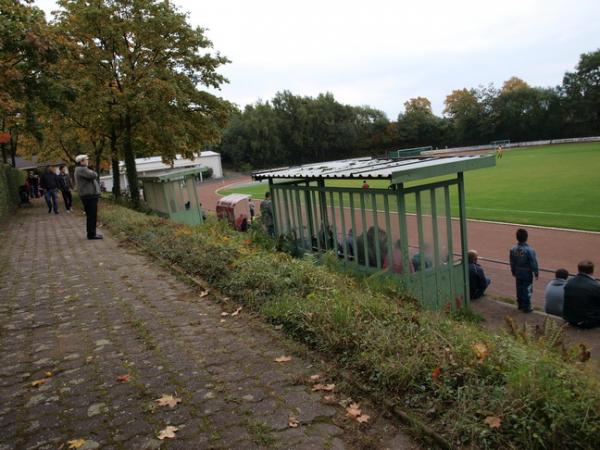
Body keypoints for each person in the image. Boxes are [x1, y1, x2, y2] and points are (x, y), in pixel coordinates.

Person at [563, 261, 600, 328]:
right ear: (592, 271)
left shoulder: (569, 282)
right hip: (587, 321)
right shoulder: (595, 286)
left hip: (569, 319)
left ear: (579, 269)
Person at [509, 228, 539, 312]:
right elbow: (533, 262)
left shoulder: (513, 249)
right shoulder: (529, 250)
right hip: (526, 272)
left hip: (518, 271)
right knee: (527, 288)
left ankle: (520, 304)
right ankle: (526, 306)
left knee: (519, 288)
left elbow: (512, 262)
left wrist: (513, 271)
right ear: (526, 237)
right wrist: (536, 272)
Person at [74, 154, 103, 240]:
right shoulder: (82, 169)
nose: (88, 161)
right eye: (86, 160)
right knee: (91, 216)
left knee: (91, 215)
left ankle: (92, 233)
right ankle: (91, 234)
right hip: (89, 196)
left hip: (89, 196)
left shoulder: (80, 169)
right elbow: (94, 175)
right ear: (81, 161)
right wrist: (93, 171)